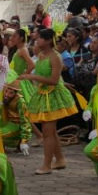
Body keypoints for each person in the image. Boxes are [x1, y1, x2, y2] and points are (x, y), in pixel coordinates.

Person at [19, 29, 78, 175]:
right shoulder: (41, 55)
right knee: (50, 131)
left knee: (47, 132)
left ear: (48, 41)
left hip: (53, 96)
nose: (37, 41)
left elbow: (53, 80)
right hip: (43, 94)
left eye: (39, 39)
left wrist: (32, 77)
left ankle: (47, 165)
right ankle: (60, 160)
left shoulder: (55, 56)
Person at [0, 71, 32, 154]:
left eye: (11, 93)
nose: (7, 94)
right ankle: (1, 146)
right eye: (6, 91)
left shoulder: (20, 102)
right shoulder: (4, 98)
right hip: (7, 122)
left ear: (15, 93)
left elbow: (25, 121)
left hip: (16, 125)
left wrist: (24, 141)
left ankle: (17, 142)